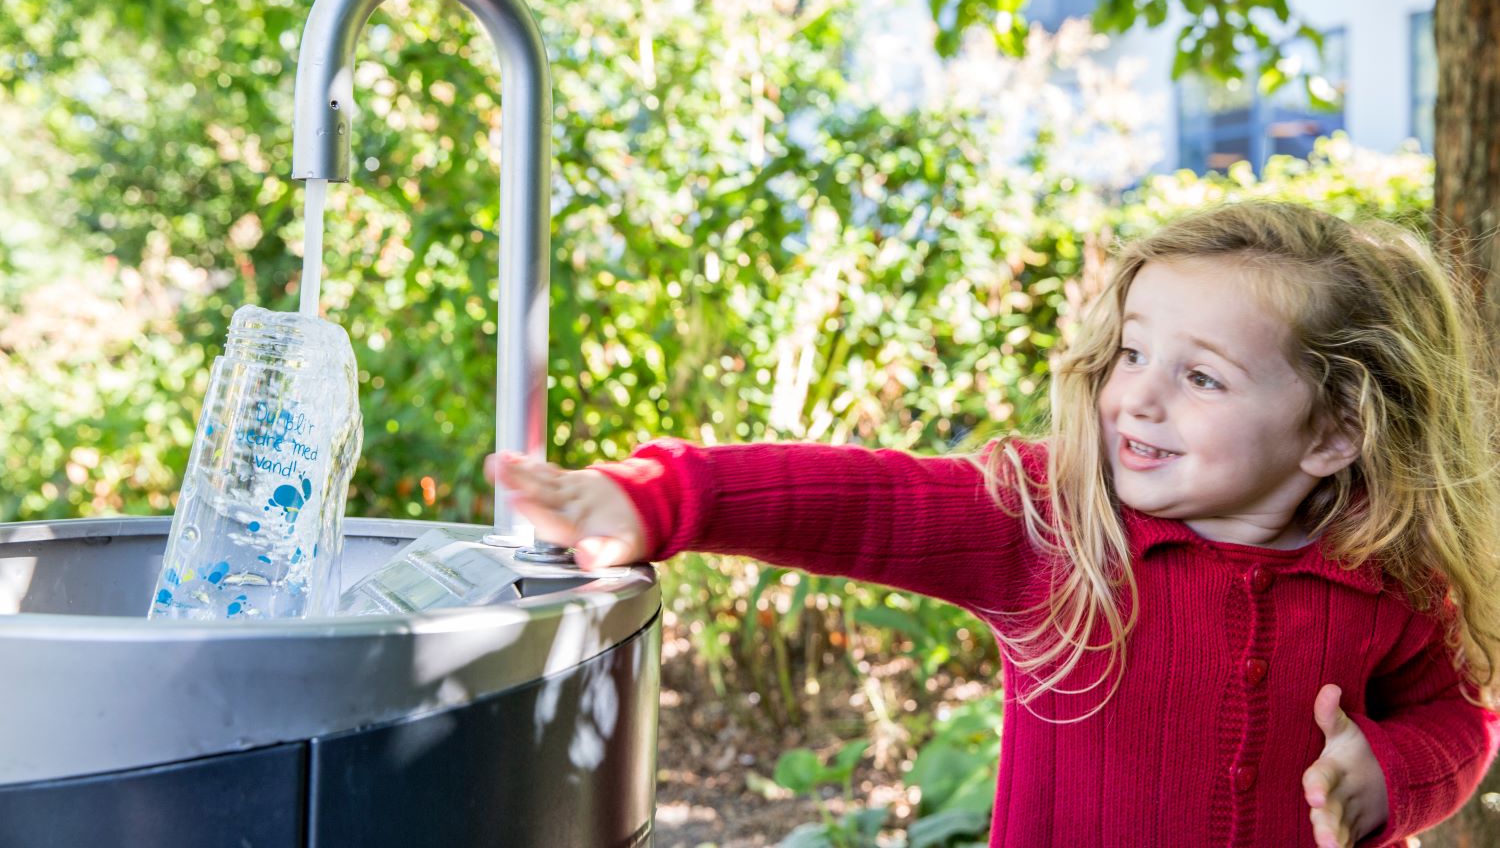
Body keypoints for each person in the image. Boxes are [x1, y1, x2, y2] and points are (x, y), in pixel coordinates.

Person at [487, 201, 1500, 848]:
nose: (1136, 399)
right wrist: (663, 498)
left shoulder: (1386, 579)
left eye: (1199, 376)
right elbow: (861, 502)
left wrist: (1393, 774)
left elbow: (1459, 718)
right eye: (1132, 354)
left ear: (1332, 433)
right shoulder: (1054, 526)